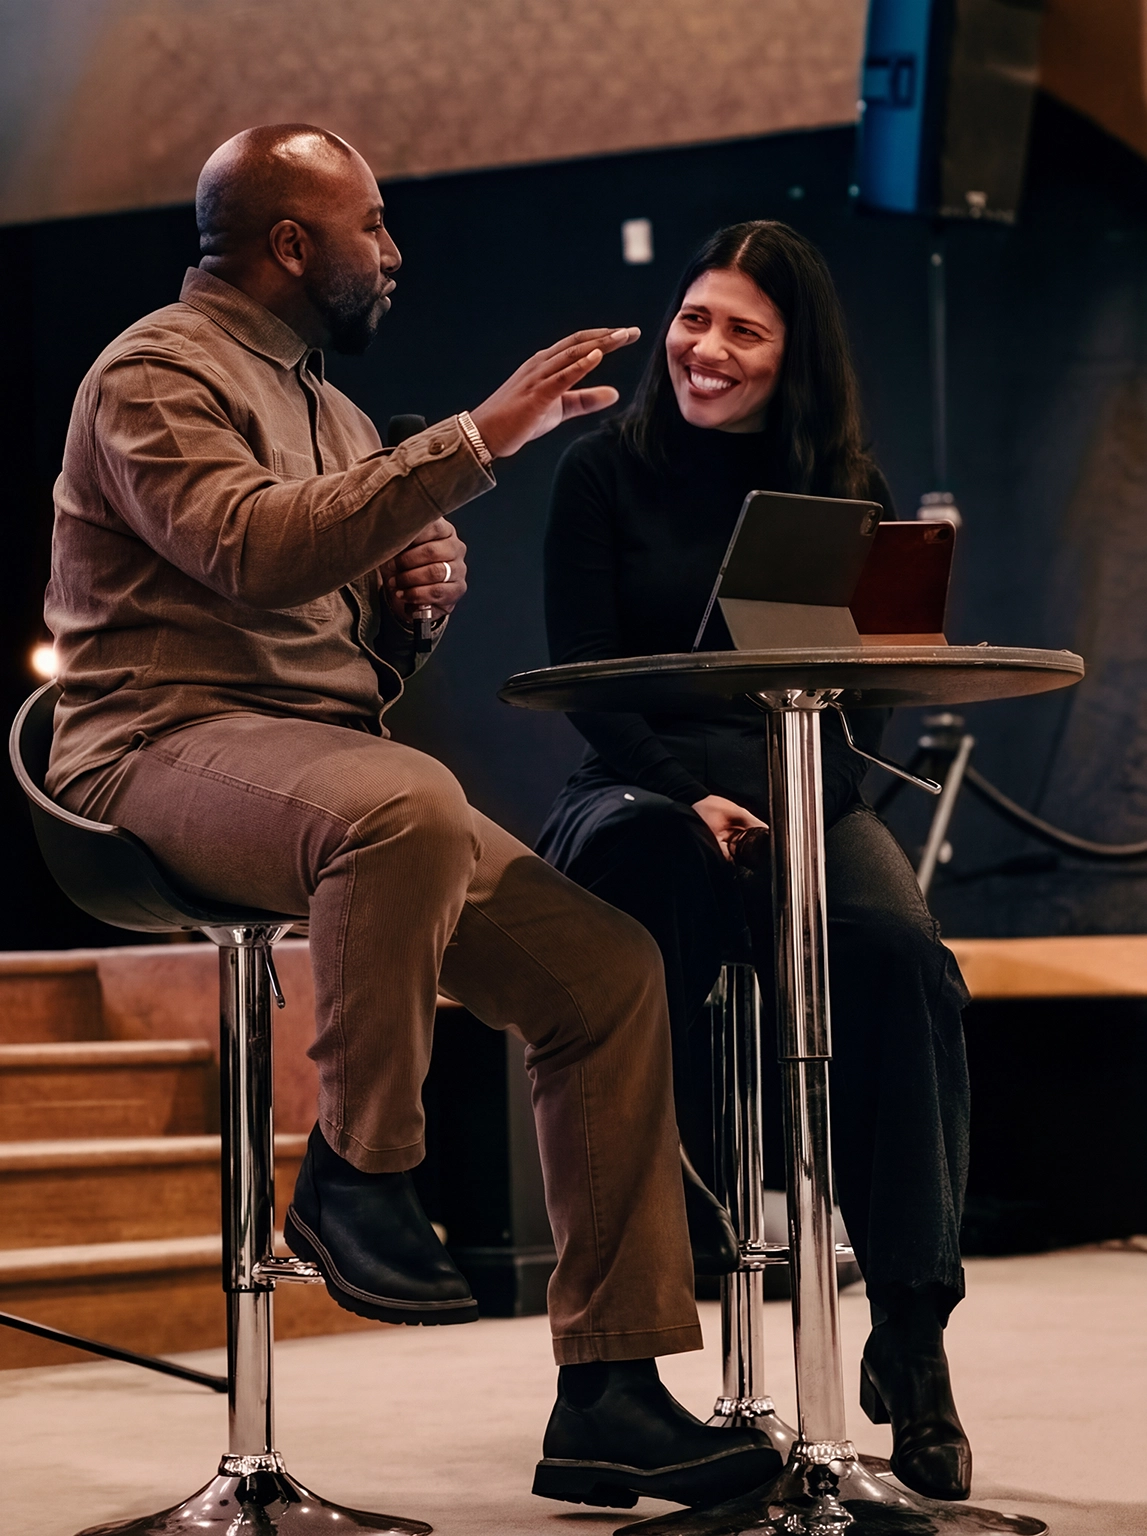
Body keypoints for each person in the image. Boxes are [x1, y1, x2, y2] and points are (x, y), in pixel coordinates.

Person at [43, 127, 783, 1511]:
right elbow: (252, 551)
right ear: (286, 246)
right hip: (151, 749)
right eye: (372, 227)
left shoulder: (329, 412)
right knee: (402, 806)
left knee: (603, 973)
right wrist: (476, 437)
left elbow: (337, 662)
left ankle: (609, 1393)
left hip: (308, 762)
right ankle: (355, 1174)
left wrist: (403, 618)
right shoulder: (155, 372)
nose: (393, 252)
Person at [537, 221, 975, 1502]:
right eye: (692, 317)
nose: (703, 348)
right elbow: (586, 689)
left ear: (793, 359)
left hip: (800, 791)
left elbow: (868, 702)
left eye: (741, 329)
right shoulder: (599, 476)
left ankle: (909, 1337)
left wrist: (789, 804)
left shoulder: (849, 489)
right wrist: (695, 795)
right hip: (636, 782)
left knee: (898, 955)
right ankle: (615, 1375)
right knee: (649, 882)